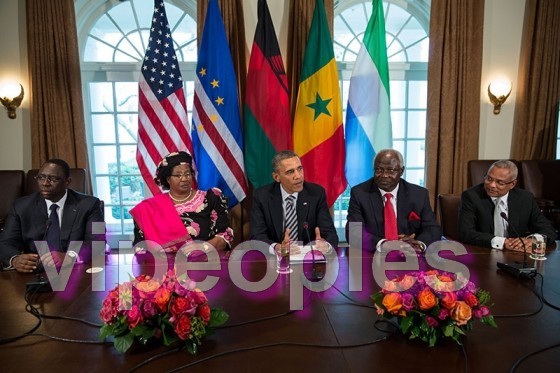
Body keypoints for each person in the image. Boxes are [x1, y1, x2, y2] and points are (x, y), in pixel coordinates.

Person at [0, 159, 105, 272]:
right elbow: (6, 242)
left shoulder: (90, 204)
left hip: (74, 271)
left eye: (53, 179)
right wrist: (15, 259)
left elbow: (98, 241)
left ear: (67, 182)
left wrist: (70, 256)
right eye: (41, 177)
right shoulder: (21, 206)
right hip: (33, 272)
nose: (45, 183)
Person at [130, 151, 233, 255]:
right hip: (164, 266)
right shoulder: (149, 208)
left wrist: (203, 247)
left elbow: (225, 236)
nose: (184, 179)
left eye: (188, 174)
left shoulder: (212, 198)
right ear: (168, 179)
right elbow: (140, 247)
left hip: (205, 263)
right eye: (178, 175)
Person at [346, 149, 441, 252]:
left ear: (401, 171)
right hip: (374, 256)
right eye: (378, 170)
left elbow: (432, 228)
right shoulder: (360, 193)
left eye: (390, 170)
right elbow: (353, 232)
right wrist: (383, 244)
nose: (384, 175)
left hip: (411, 256)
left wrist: (419, 244)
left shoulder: (419, 194)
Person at [250, 150, 338, 254]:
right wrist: (277, 248)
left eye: (300, 169)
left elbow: (330, 234)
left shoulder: (316, 194)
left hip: (308, 259)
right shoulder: (262, 196)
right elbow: (257, 236)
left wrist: (325, 246)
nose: (298, 176)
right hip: (275, 261)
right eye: (290, 172)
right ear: (277, 177)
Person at [458, 160, 556, 250]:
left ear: (512, 184)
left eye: (499, 182)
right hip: (483, 252)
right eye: (489, 178)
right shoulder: (471, 196)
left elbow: (548, 229)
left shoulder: (525, 198)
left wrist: (533, 240)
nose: (491, 185)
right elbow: (466, 233)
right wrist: (503, 242)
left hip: (517, 255)